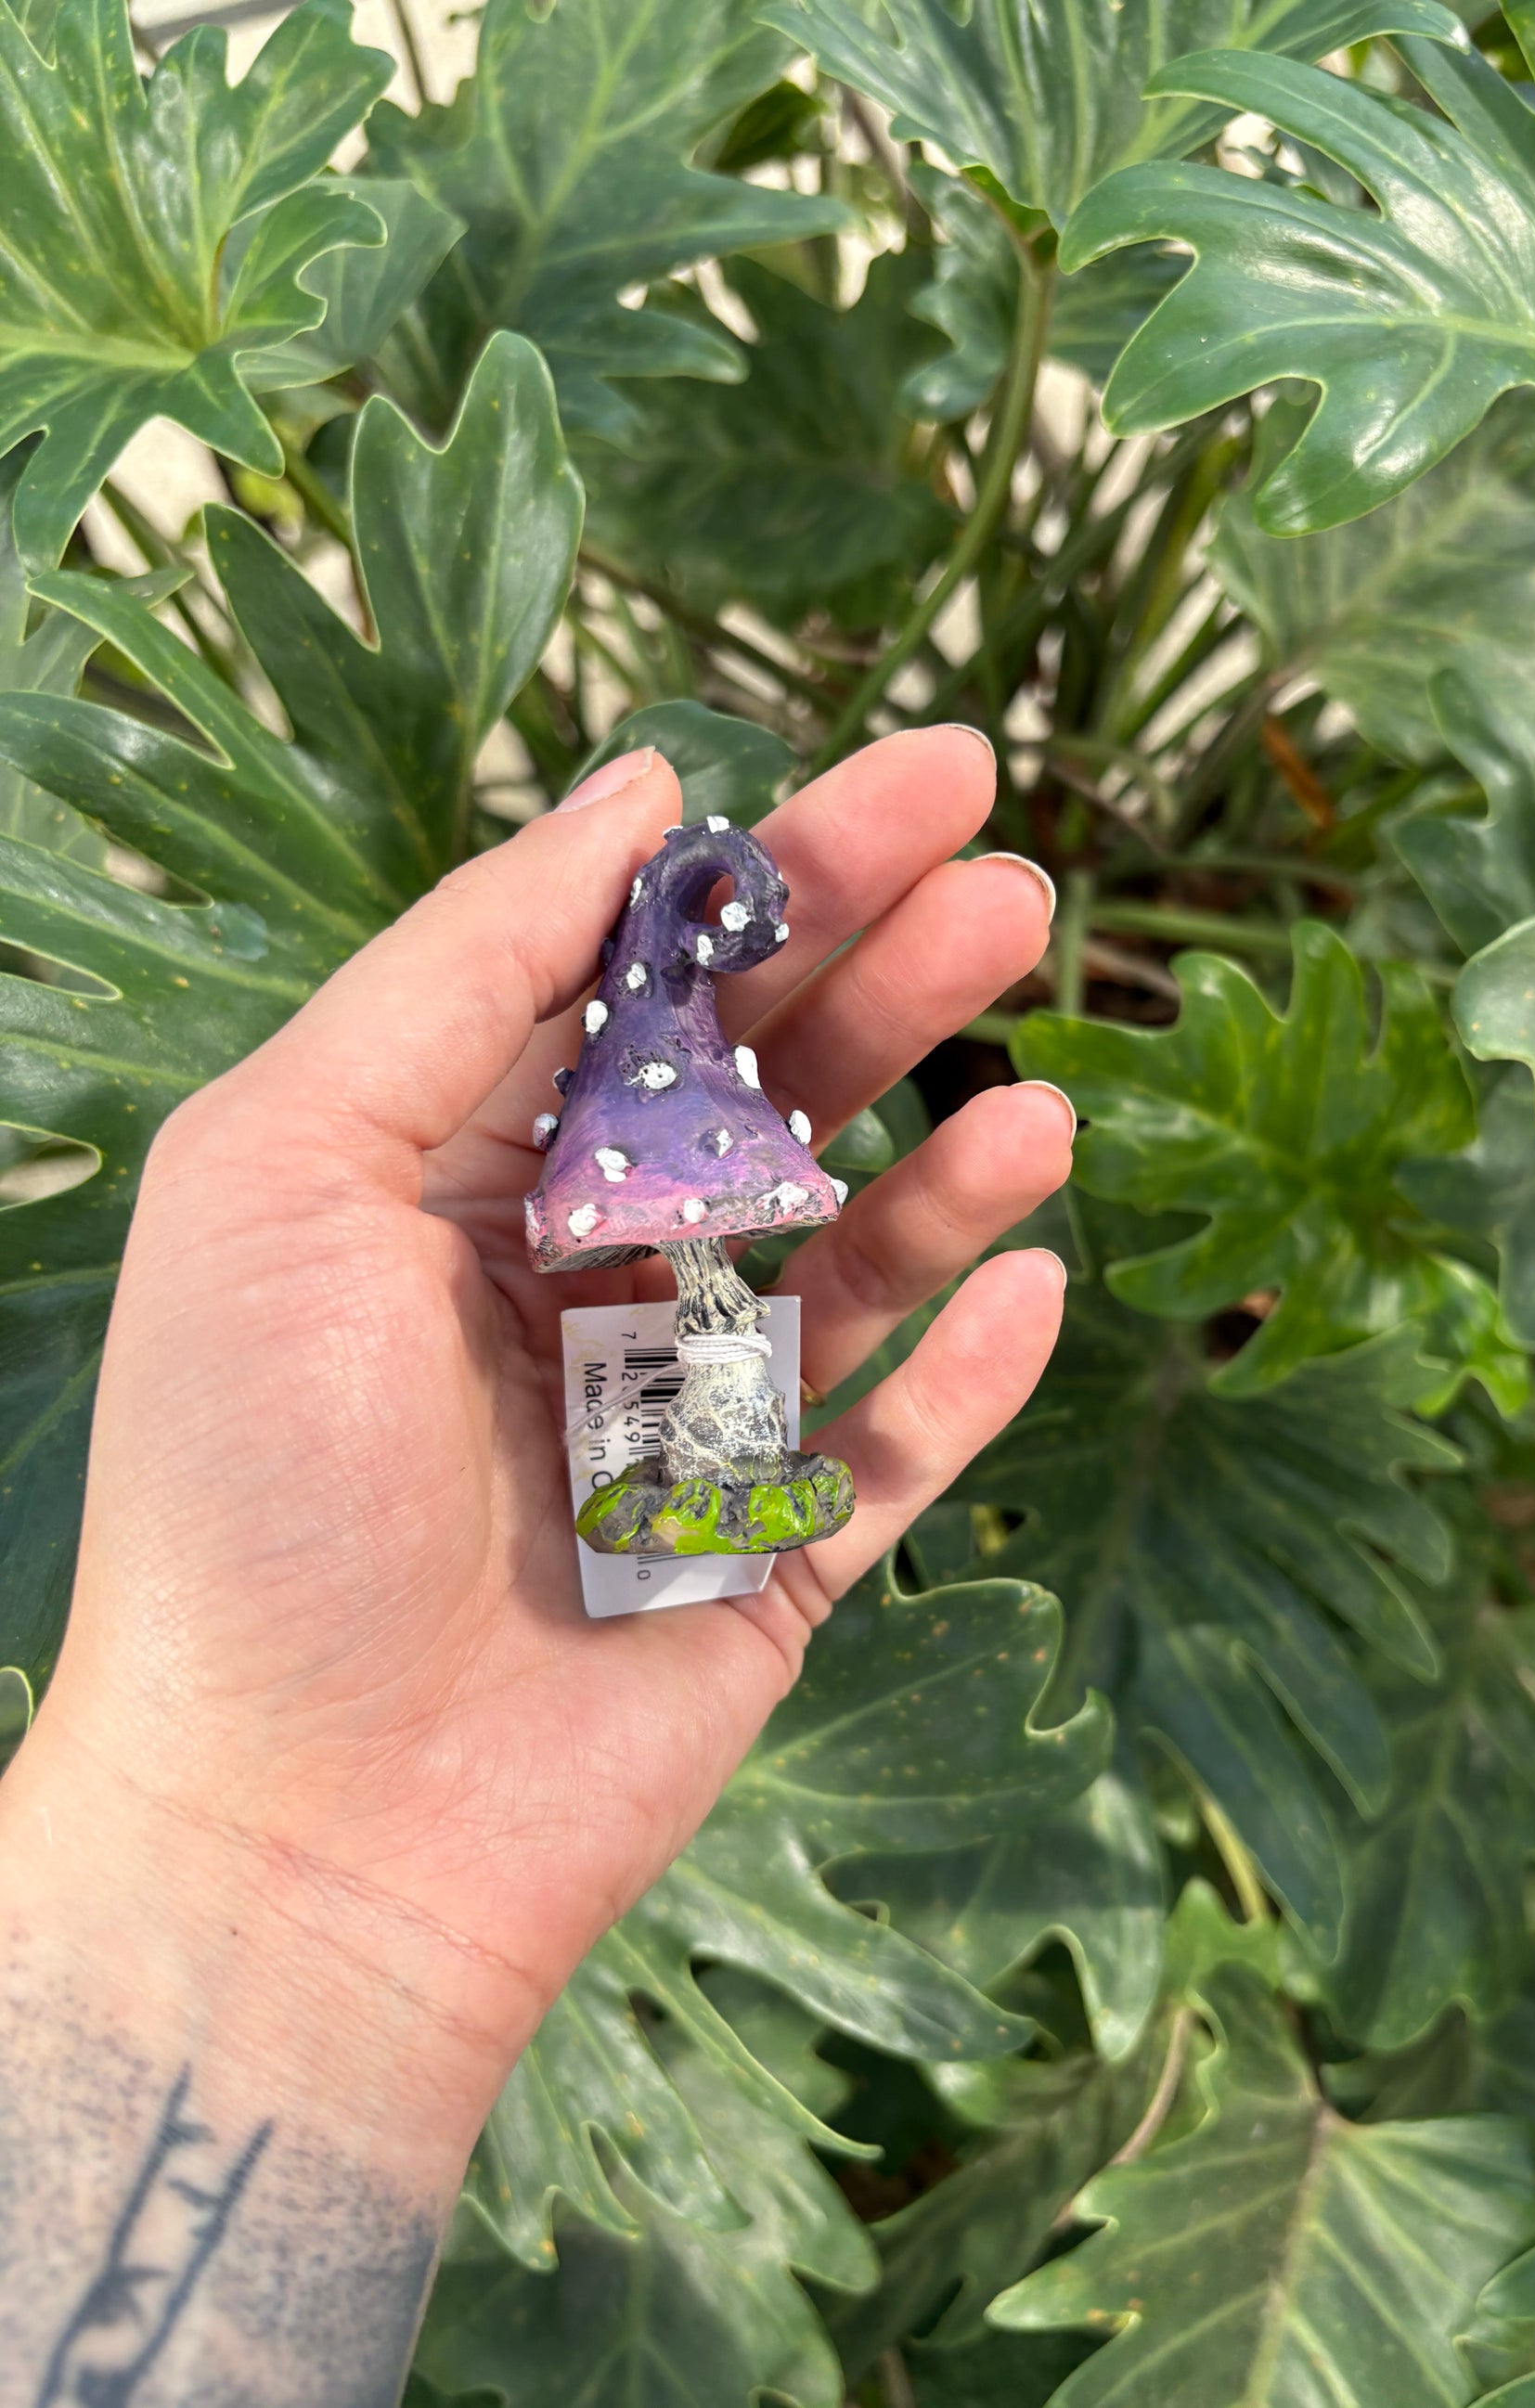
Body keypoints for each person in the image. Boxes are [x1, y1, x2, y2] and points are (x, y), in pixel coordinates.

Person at [0, 729, 1075, 2403]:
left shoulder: (683, 1026)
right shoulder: (636, 1028)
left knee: (720, 1313)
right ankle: (680, 1496)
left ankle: (694, 1492)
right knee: (702, 1340)